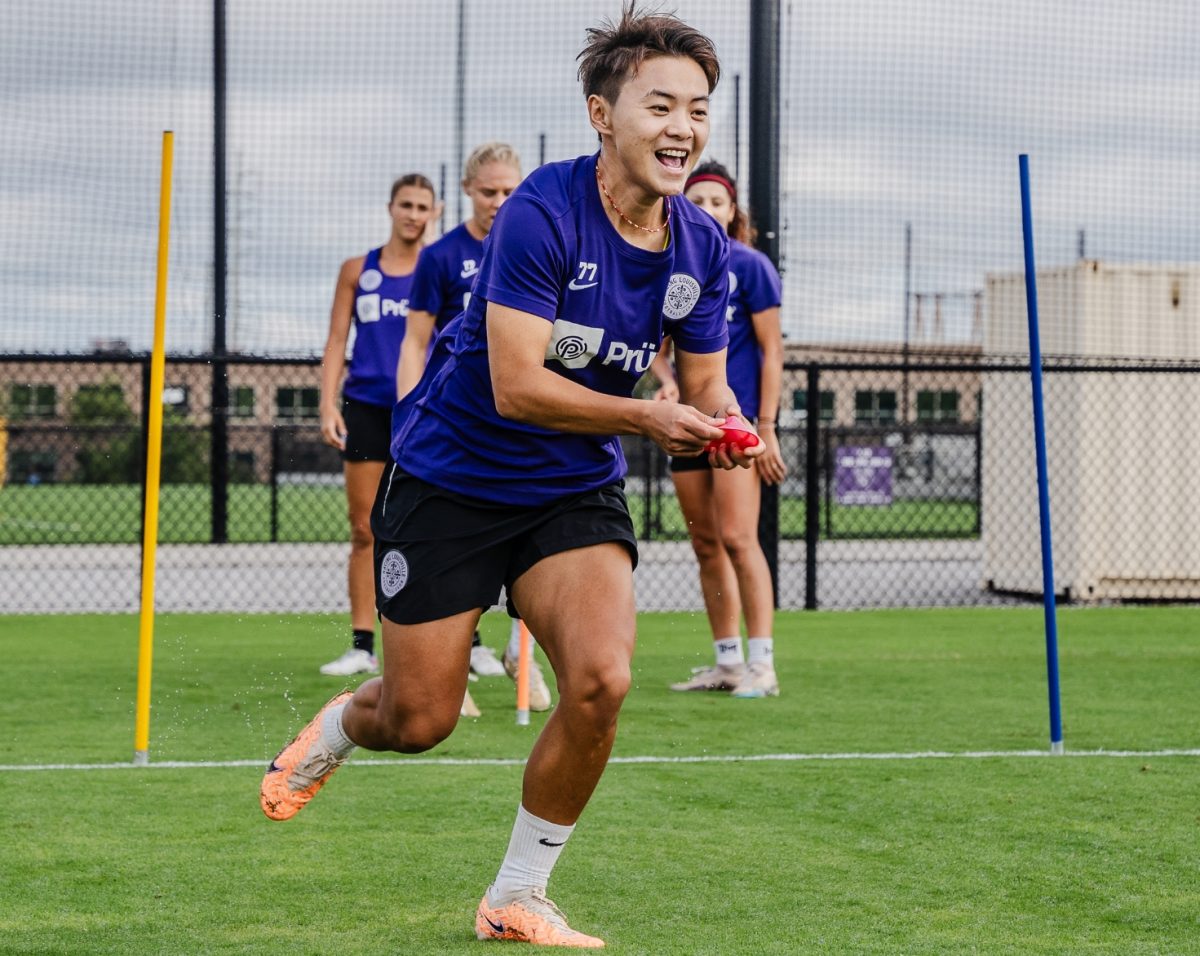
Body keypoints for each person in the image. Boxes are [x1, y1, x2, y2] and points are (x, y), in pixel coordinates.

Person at [261, 6, 761, 947]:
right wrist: (652, 416)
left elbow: (705, 382)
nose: (684, 127)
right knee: (419, 720)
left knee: (603, 680)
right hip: (454, 477)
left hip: (570, 489)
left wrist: (732, 425)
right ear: (601, 114)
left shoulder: (703, 250)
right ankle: (338, 727)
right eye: (661, 104)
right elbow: (519, 385)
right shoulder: (540, 209)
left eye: (699, 108)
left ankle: (517, 895)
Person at [398, 143, 553, 711]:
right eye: (489, 191)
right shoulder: (441, 256)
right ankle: (452, 665)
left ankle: (523, 654)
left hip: (524, 420)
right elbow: (415, 342)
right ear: (468, 190)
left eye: (510, 191)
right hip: (458, 424)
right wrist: (409, 409)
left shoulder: (541, 241)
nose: (500, 201)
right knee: (461, 550)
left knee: (536, 543)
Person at [653, 160, 787, 699]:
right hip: (687, 425)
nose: (707, 209)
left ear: (733, 214)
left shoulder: (750, 266)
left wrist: (766, 426)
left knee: (737, 538)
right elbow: (659, 349)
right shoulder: (671, 264)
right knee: (706, 543)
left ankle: (763, 664)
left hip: (734, 422)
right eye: (697, 199)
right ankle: (728, 663)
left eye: (718, 202)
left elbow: (773, 351)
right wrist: (665, 382)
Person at [316, 174, 440, 679]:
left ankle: (464, 643)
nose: (413, 214)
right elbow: (335, 340)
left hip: (426, 411)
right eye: (406, 205)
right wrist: (327, 403)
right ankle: (363, 645)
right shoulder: (357, 270)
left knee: (436, 526)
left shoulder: (441, 267)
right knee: (365, 528)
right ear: (390, 207)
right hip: (367, 408)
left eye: (423, 207)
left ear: (435, 212)